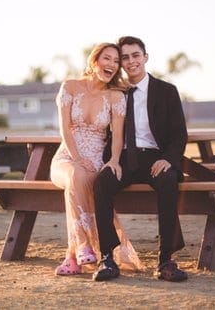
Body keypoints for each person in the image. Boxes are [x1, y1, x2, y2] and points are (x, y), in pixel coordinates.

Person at [93, 36, 188, 282]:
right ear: (121, 63)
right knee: (102, 182)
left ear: (145, 57)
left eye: (136, 55)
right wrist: (110, 160)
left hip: (154, 158)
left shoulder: (166, 91)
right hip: (122, 158)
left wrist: (168, 159)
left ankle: (166, 260)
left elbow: (179, 133)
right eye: (125, 57)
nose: (131, 61)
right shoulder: (115, 92)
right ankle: (107, 257)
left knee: (168, 181)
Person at [49, 42, 144, 276]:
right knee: (74, 174)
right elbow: (64, 129)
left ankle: (73, 256)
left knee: (80, 181)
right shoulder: (70, 87)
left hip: (96, 161)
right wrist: (76, 158)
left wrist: (113, 160)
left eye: (115, 61)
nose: (111, 64)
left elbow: (118, 136)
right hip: (66, 157)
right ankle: (82, 245)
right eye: (106, 58)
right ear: (95, 61)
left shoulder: (115, 97)